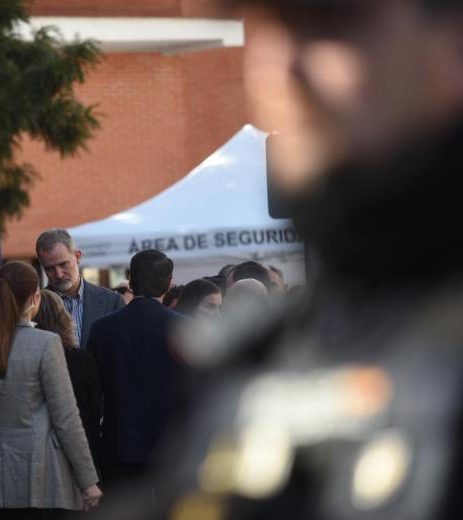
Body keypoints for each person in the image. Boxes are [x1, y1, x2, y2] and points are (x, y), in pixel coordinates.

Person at [95, 0, 463, 517]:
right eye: (268, 31)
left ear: (451, 42)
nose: (286, 68)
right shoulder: (260, 357)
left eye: (332, 23)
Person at [0, 261, 102, 519]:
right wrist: (88, 480)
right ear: (35, 298)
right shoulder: (46, 344)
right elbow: (67, 418)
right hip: (41, 476)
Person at [87, 249, 182, 491]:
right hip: (171, 448)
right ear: (169, 284)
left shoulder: (102, 330)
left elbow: (92, 394)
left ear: (130, 280)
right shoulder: (185, 328)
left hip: (119, 447)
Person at [34, 289, 101, 476]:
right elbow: (93, 412)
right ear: (63, 318)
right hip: (81, 451)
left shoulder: (26, 358)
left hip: (39, 455)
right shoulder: (82, 360)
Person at [36, 229, 124, 350]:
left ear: (78, 256)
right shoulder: (35, 306)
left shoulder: (112, 302)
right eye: (50, 269)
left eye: (63, 264)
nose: (59, 274)